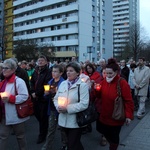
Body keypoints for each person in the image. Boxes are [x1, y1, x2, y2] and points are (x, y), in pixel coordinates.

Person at [95, 58, 134, 150]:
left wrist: (128, 115)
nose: (108, 76)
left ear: (116, 72)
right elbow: (99, 96)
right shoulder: (104, 82)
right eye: (106, 73)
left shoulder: (122, 83)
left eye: (110, 73)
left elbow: (128, 100)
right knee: (102, 131)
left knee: (114, 137)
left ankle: (113, 148)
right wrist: (96, 90)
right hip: (104, 115)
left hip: (116, 117)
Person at [54, 62, 89, 150]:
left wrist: (67, 108)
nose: (68, 73)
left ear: (78, 73)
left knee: (72, 144)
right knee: (72, 143)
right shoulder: (63, 84)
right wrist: (58, 106)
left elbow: (84, 104)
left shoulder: (82, 86)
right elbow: (55, 98)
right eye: (67, 71)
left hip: (75, 122)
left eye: (71, 71)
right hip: (63, 120)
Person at [0, 58, 29, 150]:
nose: (3, 70)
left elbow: (24, 96)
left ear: (13, 70)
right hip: (4, 115)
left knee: (20, 136)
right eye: (3, 68)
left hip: (16, 114)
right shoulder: (3, 82)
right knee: (3, 136)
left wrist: (10, 99)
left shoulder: (19, 81)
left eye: (6, 68)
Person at [42, 64, 64, 150]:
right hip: (52, 109)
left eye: (55, 71)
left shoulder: (63, 83)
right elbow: (46, 96)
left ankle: (65, 145)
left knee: (63, 129)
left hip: (61, 109)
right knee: (51, 129)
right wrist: (46, 94)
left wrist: (56, 92)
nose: (53, 73)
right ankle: (47, 146)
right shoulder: (50, 82)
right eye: (52, 71)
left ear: (61, 73)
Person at [30, 55, 52, 144]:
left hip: (43, 98)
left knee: (43, 117)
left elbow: (46, 84)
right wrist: (32, 92)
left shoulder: (48, 72)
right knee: (37, 114)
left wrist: (37, 93)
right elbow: (31, 82)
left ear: (46, 62)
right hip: (35, 97)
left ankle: (42, 135)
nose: (40, 62)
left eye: (42, 60)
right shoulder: (35, 71)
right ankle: (45, 128)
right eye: (39, 60)